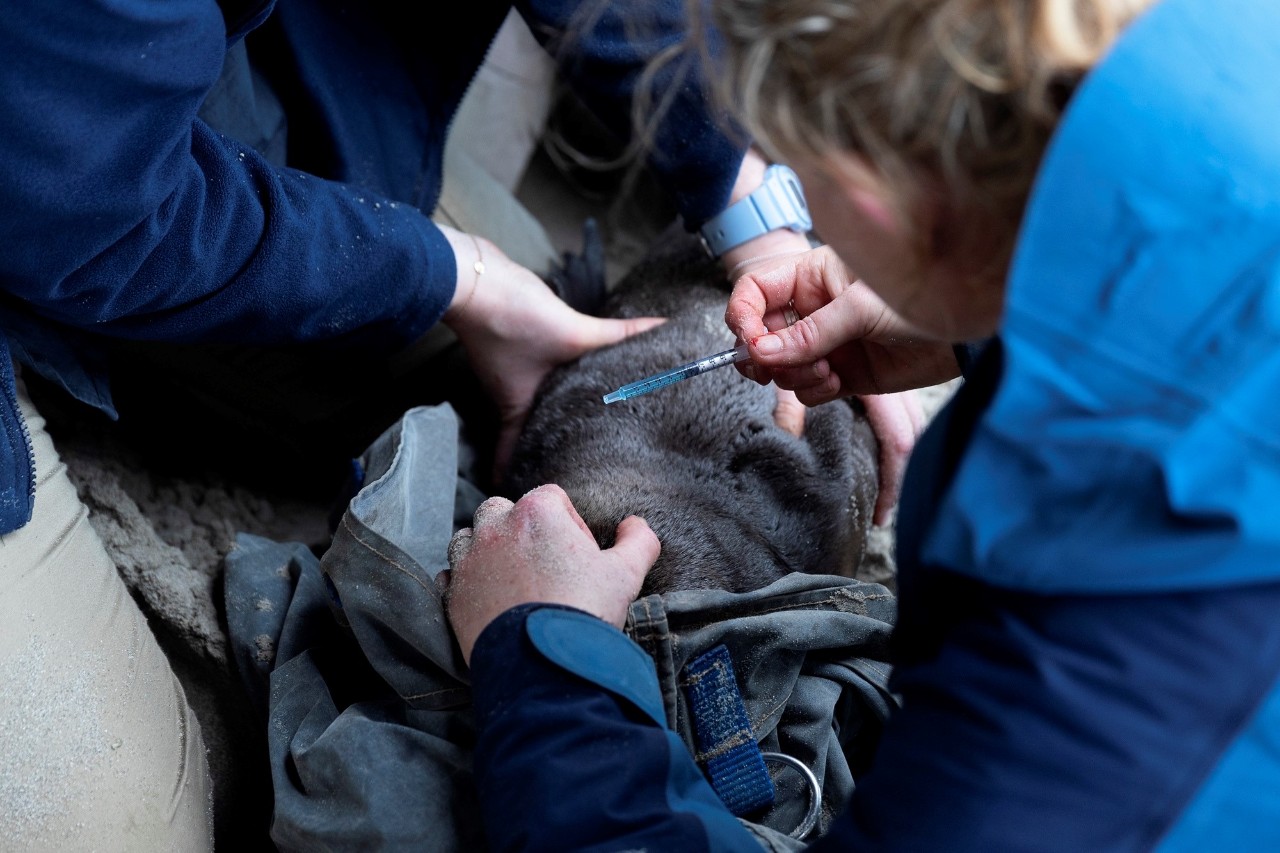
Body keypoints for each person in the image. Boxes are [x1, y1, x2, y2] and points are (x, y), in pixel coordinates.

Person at [0, 0, 921, 846]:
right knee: (129, 827)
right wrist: (549, 649)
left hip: (124, 103)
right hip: (66, 157)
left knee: (466, 344)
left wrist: (748, 205)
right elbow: (80, 202)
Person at [444, 0, 1280, 849]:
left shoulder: (1086, 700)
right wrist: (976, 324)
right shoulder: (1219, 61)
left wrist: (546, 668)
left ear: (878, 205)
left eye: (793, 191)